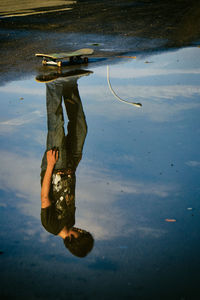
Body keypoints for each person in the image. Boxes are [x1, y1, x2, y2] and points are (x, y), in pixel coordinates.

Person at [40, 71, 94, 257]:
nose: (83, 230)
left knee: (56, 124)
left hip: (55, 166)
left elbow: (45, 197)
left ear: (73, 239)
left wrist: (50, 165)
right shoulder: (70, 221)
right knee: (81, 127)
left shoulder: (51, 226)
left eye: (82, 234)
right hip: (71, 165)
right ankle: (70, 84)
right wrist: (74, 166)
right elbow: (68, 191)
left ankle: (52, 83)